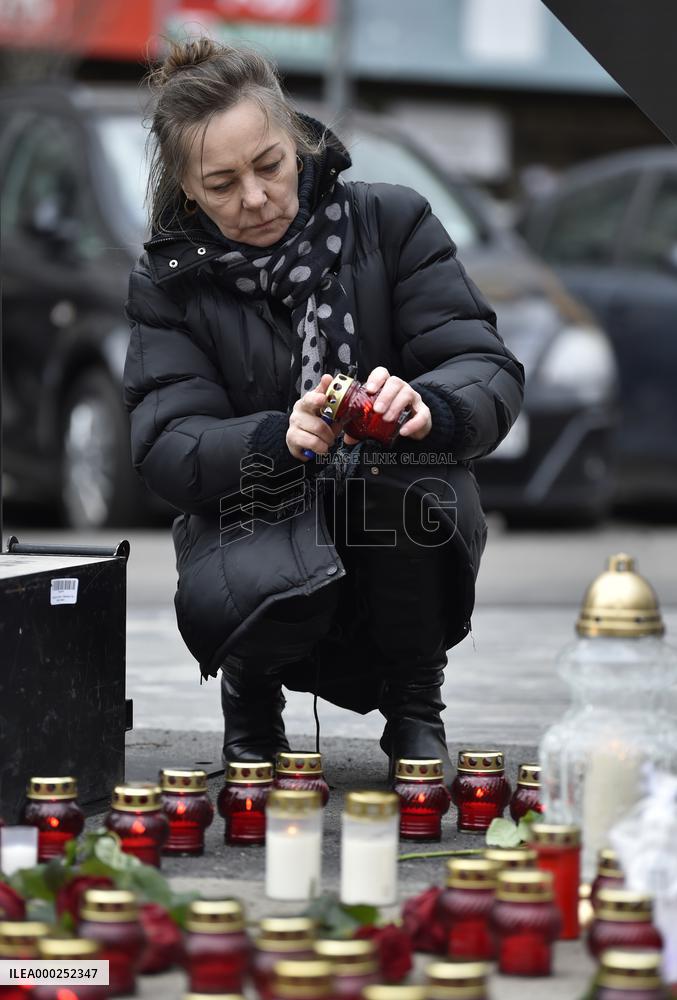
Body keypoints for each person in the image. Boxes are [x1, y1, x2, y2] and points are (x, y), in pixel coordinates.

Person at [122, 38, 525, 779]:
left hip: (392, 491)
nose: (254, 197)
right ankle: (250, 707)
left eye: (268, 165)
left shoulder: (393, 222)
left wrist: (428, 404)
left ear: (297, 143)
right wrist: (278, 436)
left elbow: (487, 369)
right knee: (264, 523)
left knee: (404, 499)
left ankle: (414, 709)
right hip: (254, 508)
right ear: (186, 190)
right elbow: (167, 445)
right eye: (221, 183)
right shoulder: (167, 281)